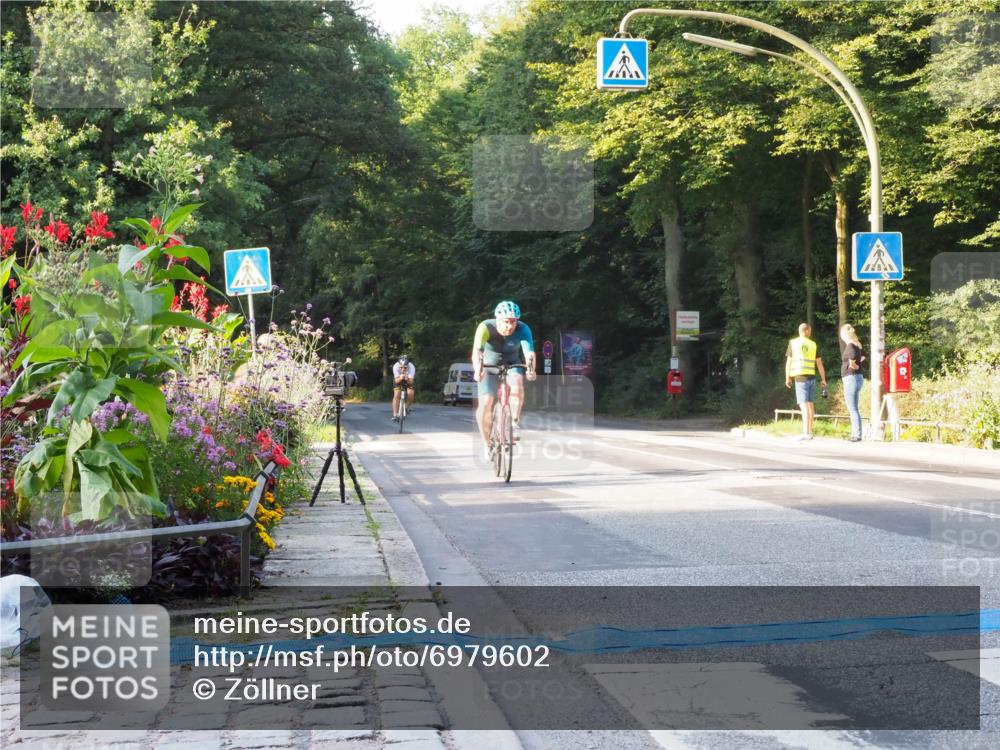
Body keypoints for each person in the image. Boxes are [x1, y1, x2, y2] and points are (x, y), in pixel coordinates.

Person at [472, 300, 537, 460]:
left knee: (517, 383)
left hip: (511, 363)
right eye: (506, 322)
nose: (510, 326)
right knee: (486, 403)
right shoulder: (486, 327)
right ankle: (487, 444)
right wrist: (477, 369)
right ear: (498, 319)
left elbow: (529, 353)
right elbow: (477, 352)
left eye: (513, 322)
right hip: (489, 366)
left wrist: (531, 369)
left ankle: (514, 423)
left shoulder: (523, 329)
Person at [785, 322, 827, 441]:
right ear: (807, 331)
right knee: (810, 404)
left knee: (803, 405)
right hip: (812, 377)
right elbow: (819, 363)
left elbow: (789, 362)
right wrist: (823, 379)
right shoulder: (813, 344)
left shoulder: (793, 343)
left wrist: (787, 377)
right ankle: (810, 431)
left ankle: (805, 433)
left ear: (800, 331)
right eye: (810, 330)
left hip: (800, 377)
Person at [840, 323, 867, 442]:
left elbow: (853, 360)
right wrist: (857, 364)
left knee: (852, 408)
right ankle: (857, 433)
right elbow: (863, 357)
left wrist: (853, 365)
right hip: (858, 378)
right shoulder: (858, 345)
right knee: (854, 408)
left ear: (844, 335)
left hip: (851, 378)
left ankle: (856, 435)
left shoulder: (850, 346)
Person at [391, 355, 415, 421]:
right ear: (399, 365)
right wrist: (400, 378)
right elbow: (396, 380)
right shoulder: (395, 366)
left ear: (408, 366)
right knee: (396, 394)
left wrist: (407, 379)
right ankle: (395, 414)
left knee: (411, 393)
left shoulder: (411, 367)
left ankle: (407, 407)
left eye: (405, 367)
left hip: (408, 379)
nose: (403, 369)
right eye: (401, 367)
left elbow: (411, 382)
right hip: (398, 379)